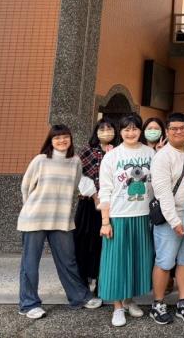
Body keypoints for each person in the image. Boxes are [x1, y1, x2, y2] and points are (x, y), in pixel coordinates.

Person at [18, 125, 103, 319]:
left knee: (68, 260)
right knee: (30, 263)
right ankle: (28, 304)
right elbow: (25, 187)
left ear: (70, 139)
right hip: (35, 218)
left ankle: (79, 297)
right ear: (50, 141)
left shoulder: (75, 162)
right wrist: (31, 208)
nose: (62, 140)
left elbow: (76, 186)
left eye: (65, 137)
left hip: (62, 219)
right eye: (57, 138)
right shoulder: (40, 160)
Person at [98, 113, 156, 327]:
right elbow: (105, 189)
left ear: (141, 130)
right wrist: (105, 221)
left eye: (134, 129)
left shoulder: (150, 153)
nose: (131, 133)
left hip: (143, 215)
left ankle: (130, 300)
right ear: (120, 132)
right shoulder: (112, 156)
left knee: (137, 261)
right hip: (118, 216)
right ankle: (117, 307)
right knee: (117, 262)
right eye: (126, 129)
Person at [149, 112, 184, 325]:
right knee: (164, 261)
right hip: (170, 217)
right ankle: (158, 304)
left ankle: (183, 302)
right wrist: (175, 221)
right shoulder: (162, 157)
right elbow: (163, 193)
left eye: (182, 128)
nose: (178, 131)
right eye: (173, 129)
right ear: (167, 131)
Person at [74, 119, 119, 291]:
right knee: (86, 243)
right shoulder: (87, 150)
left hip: (113, 204)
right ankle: (84, 281)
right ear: (96, 131)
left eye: (109, 128)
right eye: (102, 128)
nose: (106, 131)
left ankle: (102, 281)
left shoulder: (119, 151)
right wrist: (95, 196)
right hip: (89, 205)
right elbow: (80, 176)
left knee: (105, 244)